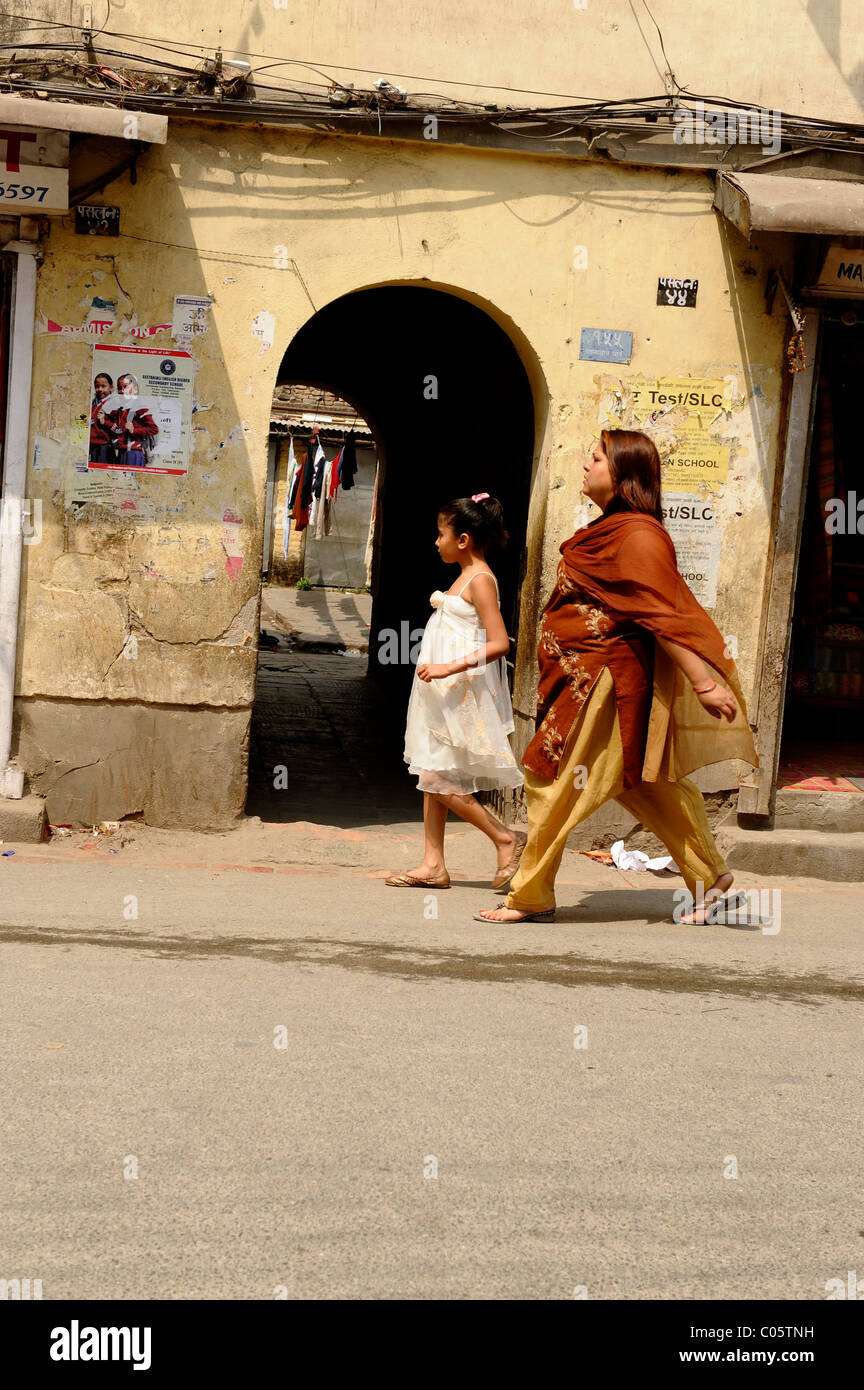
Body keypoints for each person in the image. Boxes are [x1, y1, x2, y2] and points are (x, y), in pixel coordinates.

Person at [476, 430, 758, 926]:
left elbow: (661, 616)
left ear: (623, 473)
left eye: (596, 458)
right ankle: (710, 879)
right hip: (579, 676)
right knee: (644, 783)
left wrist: (704, 682)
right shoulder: (611, 529)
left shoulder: (639, 535)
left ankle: (531, 894)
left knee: (551, 782)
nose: (586, 466)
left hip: (602, 684)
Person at [385, 493, 527, 891]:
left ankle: (504, 837)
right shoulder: (464, 575)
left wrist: (448, 666)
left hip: (460, 691)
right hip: (441, 692)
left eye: (440, 534)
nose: (435, 542)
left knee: (436, 775)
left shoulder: (481, 580)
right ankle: (433, 863)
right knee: (434, 767)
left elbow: (499, 642)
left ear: (463, 539)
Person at [106, 372, 158, 467]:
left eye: (126, 387)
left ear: (135, 389)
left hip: (134, 454)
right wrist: (114, 429)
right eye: (119, 388)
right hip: (122, 452)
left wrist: (134, 430)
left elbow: (154, 429)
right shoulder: (121, 409)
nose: (122, 391)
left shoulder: (139, 407)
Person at [88, 372, 117, 465]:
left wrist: (105, 422)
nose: (99, 389)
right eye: (97, 386)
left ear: (111, 388)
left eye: (103, 386)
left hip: (104, 448)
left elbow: (119, 428)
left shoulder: (114, 404)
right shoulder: (92, 403)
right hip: (91, 445)